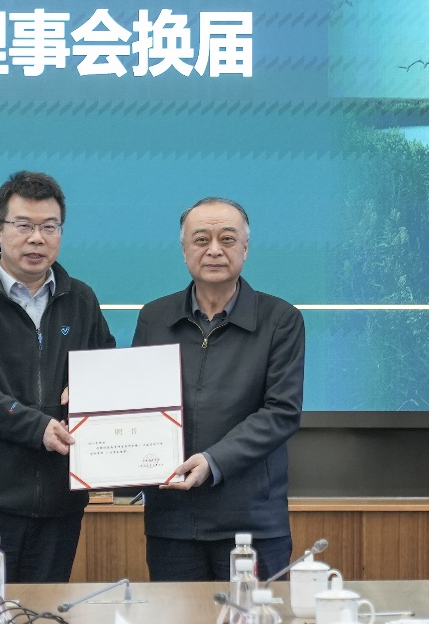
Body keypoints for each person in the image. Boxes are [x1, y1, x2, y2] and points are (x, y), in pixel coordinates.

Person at [0, 171, 115, 583]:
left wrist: (93, 390)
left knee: (44, 611)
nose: (36, 239)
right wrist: (35, 426)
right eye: (24, 226)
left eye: (49, 227)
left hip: (59, 503)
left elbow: (106, 370)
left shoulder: (81, 299)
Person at [131, 197, 305, 581]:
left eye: (227, 239)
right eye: (201, 239)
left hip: (251, 522)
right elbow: (138, 404)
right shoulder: (154, 318)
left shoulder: (280, 319)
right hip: (172, 521)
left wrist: (213, 461)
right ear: (184, 249)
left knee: (255, 612)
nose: (214, 250)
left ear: (245, 248)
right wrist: (91, 401)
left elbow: (282, 411)